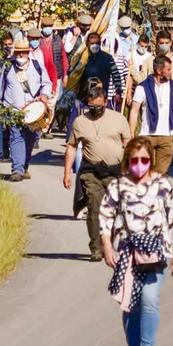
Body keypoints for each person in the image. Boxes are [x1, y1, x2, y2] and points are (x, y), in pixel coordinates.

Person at [99, 137, 173, 346]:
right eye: (134, 160)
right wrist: (106, 246)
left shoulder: (162, 185)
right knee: (130, 304)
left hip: (157, 252)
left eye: (144, 160)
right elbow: (104, 216)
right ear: (127, 160)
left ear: (151, 160)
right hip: (127, 252)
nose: (139, 164)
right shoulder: (117, 186)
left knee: (149, 298)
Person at [62, 79, 130, 251]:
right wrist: (67, 173)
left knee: (117, 210)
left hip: (115, 171)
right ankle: (96, 247)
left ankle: (114, 238)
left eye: (99, 106)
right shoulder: (79, 122)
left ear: (105, 102)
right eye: (92, 107)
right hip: (91, 171)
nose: (95, 110)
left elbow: (128, 143)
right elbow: (71, 147)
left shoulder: (119, 119)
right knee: (94, 209)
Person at [0, 33, 53, 181]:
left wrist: (44, 95)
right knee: (16, 138)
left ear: (28, 52)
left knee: (30, 140)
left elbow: (47, 84)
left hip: (33, 112)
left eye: (23, 52)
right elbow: (0, 88)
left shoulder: (37, 66)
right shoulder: (8, 67)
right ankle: (16, 169)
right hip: (13, 111)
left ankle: (24, 167)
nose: (21, 54)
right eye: (18, 52)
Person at [128, 54, 173, 179]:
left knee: (160, 174)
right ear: (159, 71)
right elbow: (134, 111)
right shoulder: (142, 88)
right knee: (143, 173)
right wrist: (131, 134)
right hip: (146, 135)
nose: (171, 72)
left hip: (167, 137)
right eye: (169, 69)